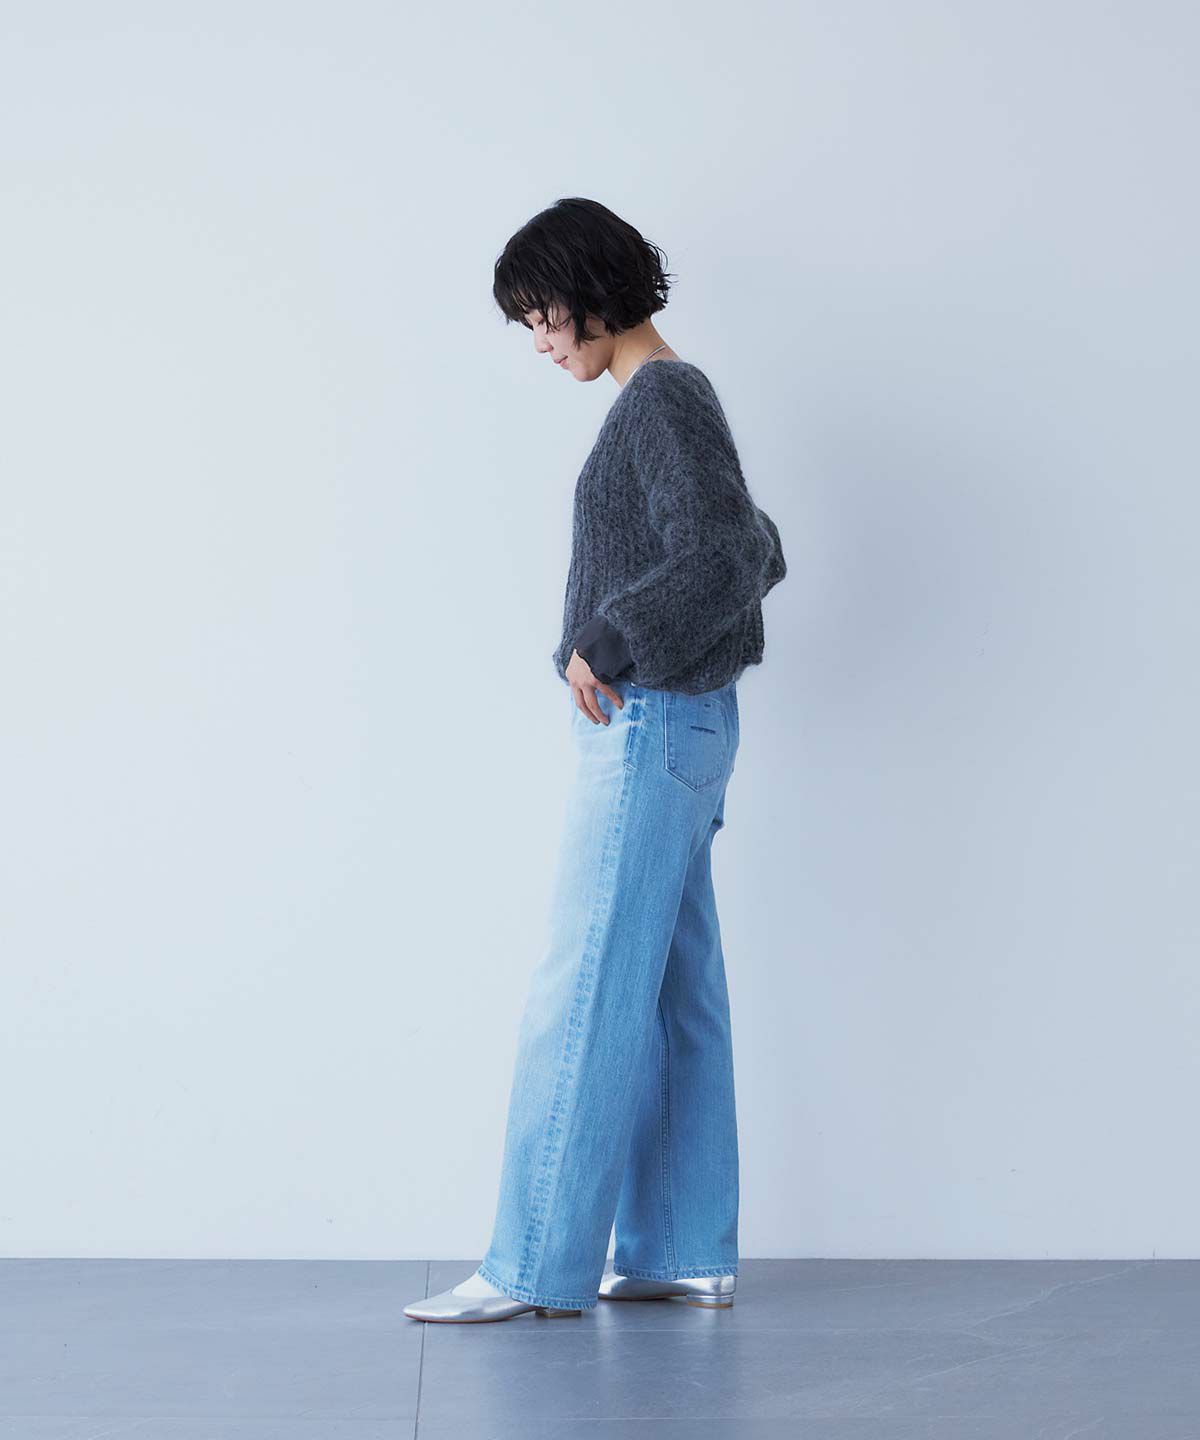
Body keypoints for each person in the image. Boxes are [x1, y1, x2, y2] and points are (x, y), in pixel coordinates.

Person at [404, 197, 786, 1323]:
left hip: (654, 724)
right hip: (684, 724)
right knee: (669, 991)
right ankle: (679, 1247)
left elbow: (732, 550)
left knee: (581, 989)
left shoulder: (661, 396)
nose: (539, 341)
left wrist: (609, 638)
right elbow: (758, 543)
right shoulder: (669, 399)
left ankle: (531, 1265)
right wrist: (611, 635)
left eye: (543, 316)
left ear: (592, 294)